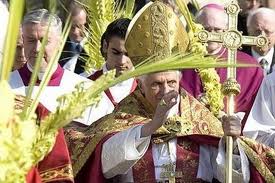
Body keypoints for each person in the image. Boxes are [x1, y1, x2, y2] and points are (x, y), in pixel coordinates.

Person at [66, 2, 272, 182]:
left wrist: (231, 144)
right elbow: (105, 165)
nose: (165, 91)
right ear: (140, 83)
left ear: (180, 81)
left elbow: (233, 177)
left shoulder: (201, 120)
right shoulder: (124, 116)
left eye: (171, 83)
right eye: (156, 84)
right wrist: (150, 127)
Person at [9, 9, 113, 126]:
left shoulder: (87, 91)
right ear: (23, 41)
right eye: (31, 40)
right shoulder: (5, 87)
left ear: (60, 42)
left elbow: (104, 137)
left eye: (44, 41)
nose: (37, 48)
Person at [180, 4, 263, 128]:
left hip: (232, 139)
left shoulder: (250, 67)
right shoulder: (181, 64)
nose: (212, 35)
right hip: (190, 138)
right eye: (206, 29)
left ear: (227, 31)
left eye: (217, 30)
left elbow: (256, 114)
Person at [87, 18, 136, 106]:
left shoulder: (147, 87)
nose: (122, 61)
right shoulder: (87, 85)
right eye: (116, 53)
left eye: (129, 54)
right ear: (105, 46)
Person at [59, 1, 88, 74]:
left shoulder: (97, 46)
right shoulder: (58, 47)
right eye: (72, 27)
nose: (76, 32)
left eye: (81, 26)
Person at [246, 7, 275, 75]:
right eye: (257, 31)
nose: (262, 37)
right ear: (249, 31)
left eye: (268, 32)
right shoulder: (238, 60)